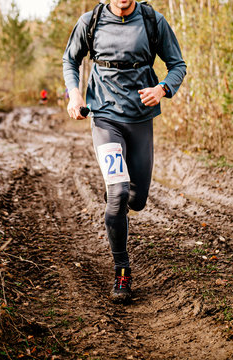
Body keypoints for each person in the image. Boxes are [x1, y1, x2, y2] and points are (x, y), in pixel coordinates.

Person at [63, 0, 186, 303]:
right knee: (118, 193)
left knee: (138, 199)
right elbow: (70, 60)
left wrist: (162, 89)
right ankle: (122, 270)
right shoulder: (90, 22)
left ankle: (118, 194)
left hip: (140, 118)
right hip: (104, 115)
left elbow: (177, 65)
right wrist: (75, 94)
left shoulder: (151, 20)